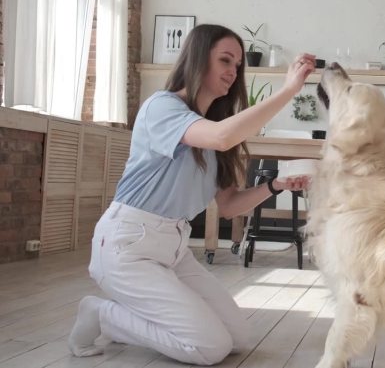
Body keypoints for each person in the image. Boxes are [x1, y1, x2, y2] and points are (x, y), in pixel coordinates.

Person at [67, 24, 315, 365]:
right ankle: (103, 314)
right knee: (209, 347)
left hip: (173, 248)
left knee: (238, 339)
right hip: (128, 245)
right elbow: (221, 137)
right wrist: (288, 90)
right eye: (225, 60)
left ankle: (139, 310)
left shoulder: (212, 133)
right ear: (198, 60)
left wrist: (275, 186)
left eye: (237, 65)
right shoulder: (163, 108)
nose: (232, 71)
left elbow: (228, 207)